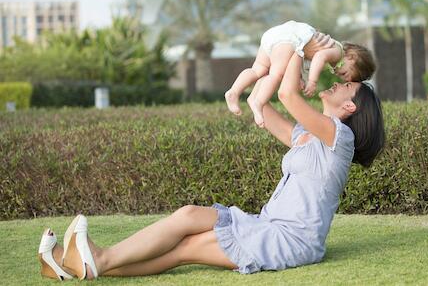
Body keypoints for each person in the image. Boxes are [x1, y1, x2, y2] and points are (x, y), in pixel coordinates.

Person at [36, 45, 385, 280]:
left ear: (351, 108)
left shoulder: (340, 138)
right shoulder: (306, 136)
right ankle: (75, 265)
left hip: (290, 240)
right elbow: (263, 105)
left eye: (347, 87)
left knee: (186, 248)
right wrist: (270, 67)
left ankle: (97, 261)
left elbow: (287, 95)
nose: (340, 83)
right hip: (265, 223)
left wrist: (298, 43)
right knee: (189, 214)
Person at [225, 20, 376, 128]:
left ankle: (234, 91)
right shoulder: (338, 52)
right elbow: (318, 57)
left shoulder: (334, 51)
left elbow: (302, 57)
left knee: (258, 69)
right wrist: (312, 81)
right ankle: (258, 102)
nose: (339, 76)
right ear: (352, 58)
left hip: (276, 35)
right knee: (276, 74)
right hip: (290, 39)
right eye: (345, 74)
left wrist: (300, 77)